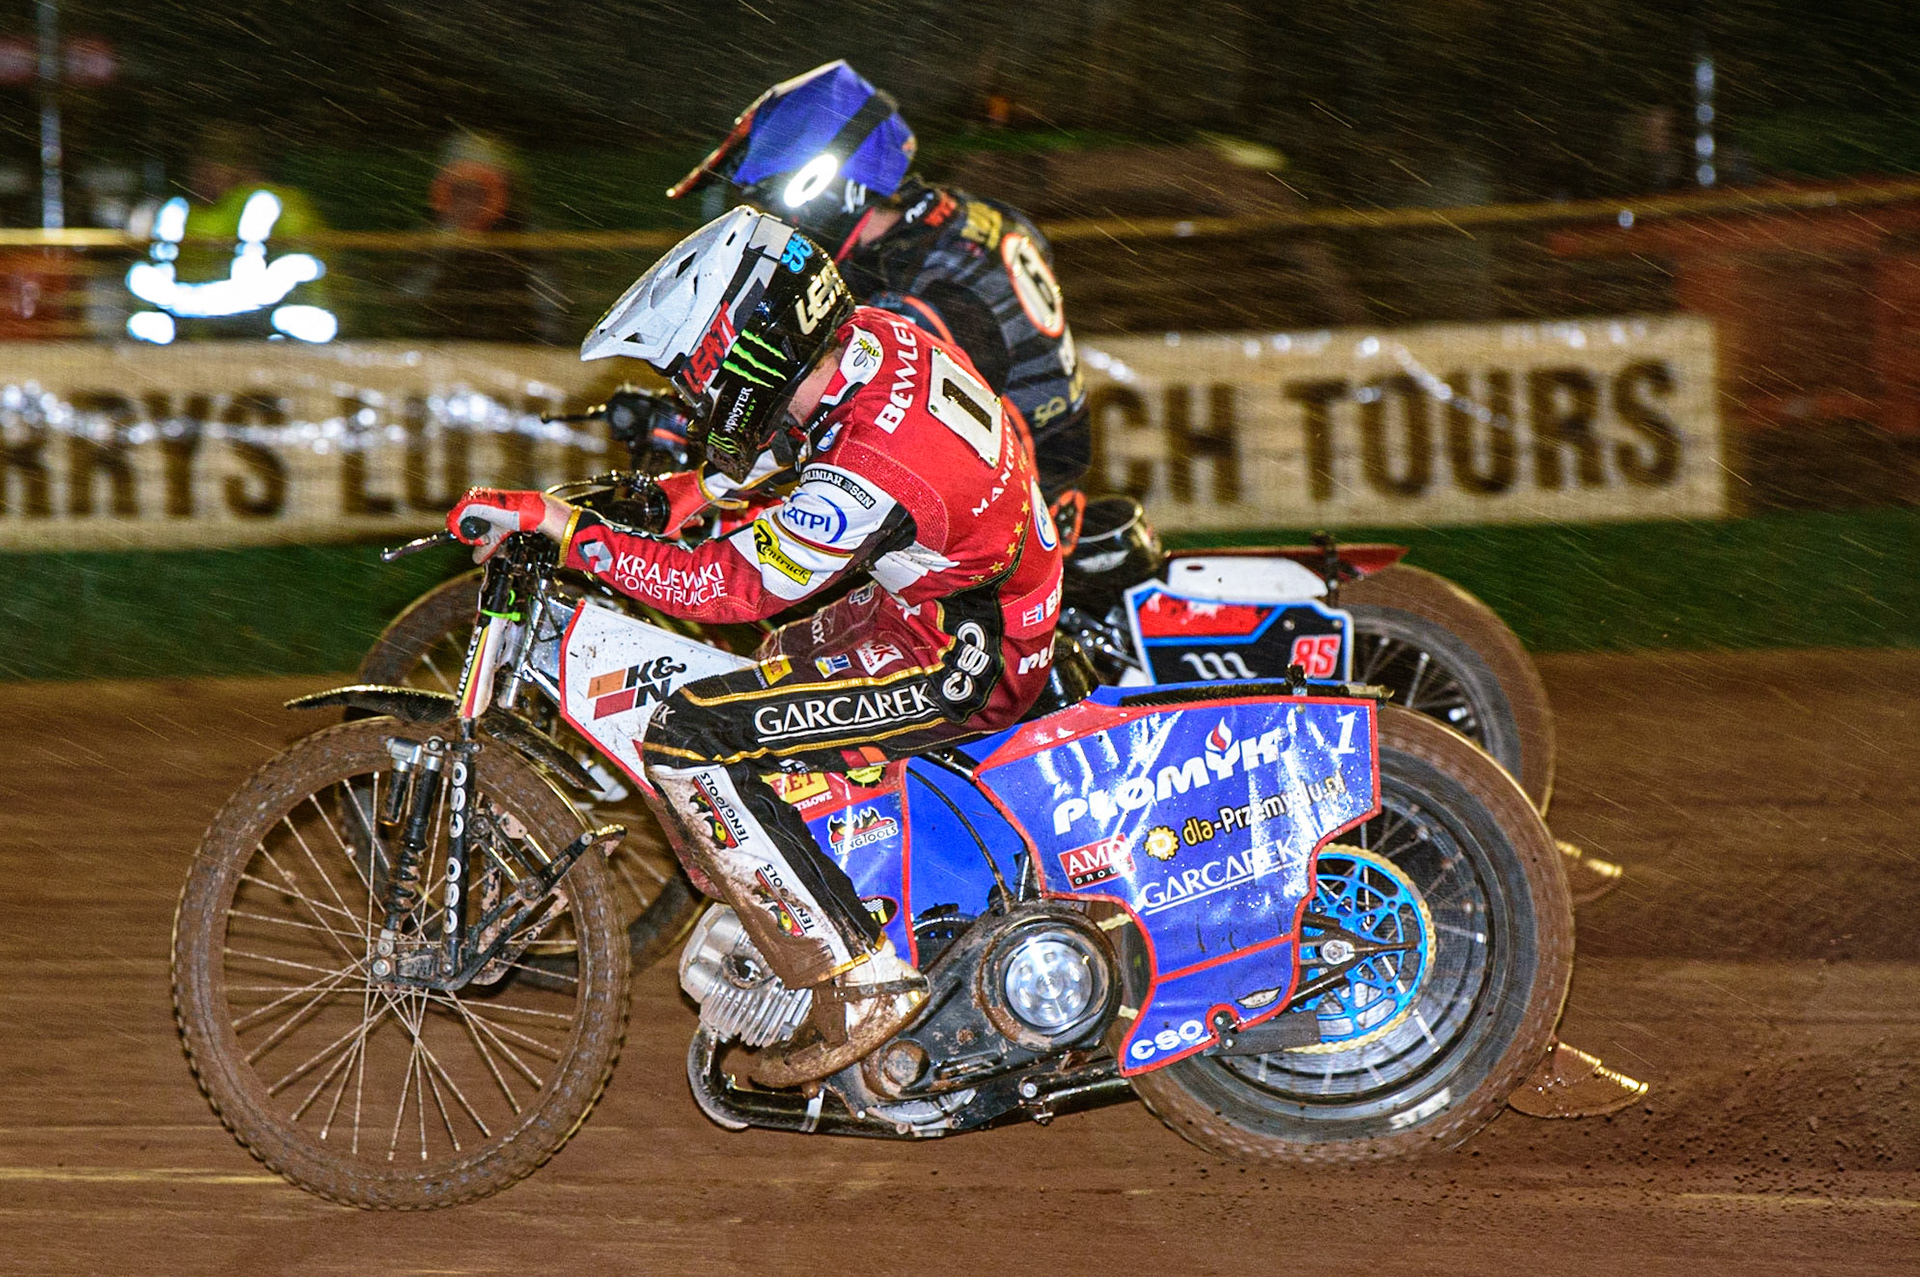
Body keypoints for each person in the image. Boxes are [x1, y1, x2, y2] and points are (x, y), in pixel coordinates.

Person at [445, 207, 1064, 1087]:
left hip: (968, 658)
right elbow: (788, 442)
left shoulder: (876, 466)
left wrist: (570, 531)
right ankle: (827, 892)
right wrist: (676, 498)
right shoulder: (874, 341)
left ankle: (861, 982)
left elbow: (727, 586)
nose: (695, 394)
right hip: (951, 609)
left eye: (694, 369)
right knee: (762, 687)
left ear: (746, 351)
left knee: (692, 732)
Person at [667, 60, 1089, 499]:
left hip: (1004, 518)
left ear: (824, 182)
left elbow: (838, 414)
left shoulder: (919, 287)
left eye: (770, 198)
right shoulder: (967, 217)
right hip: (1028, 476)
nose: (773, 221)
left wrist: (699, 446)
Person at [123, 122, 335, 344]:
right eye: (198, 169)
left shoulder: (275, 204)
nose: (199, 178)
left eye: (209, 169)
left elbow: (309, 264)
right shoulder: (181, 211)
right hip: (196, 329)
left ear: (244, 171)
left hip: (263, 329)